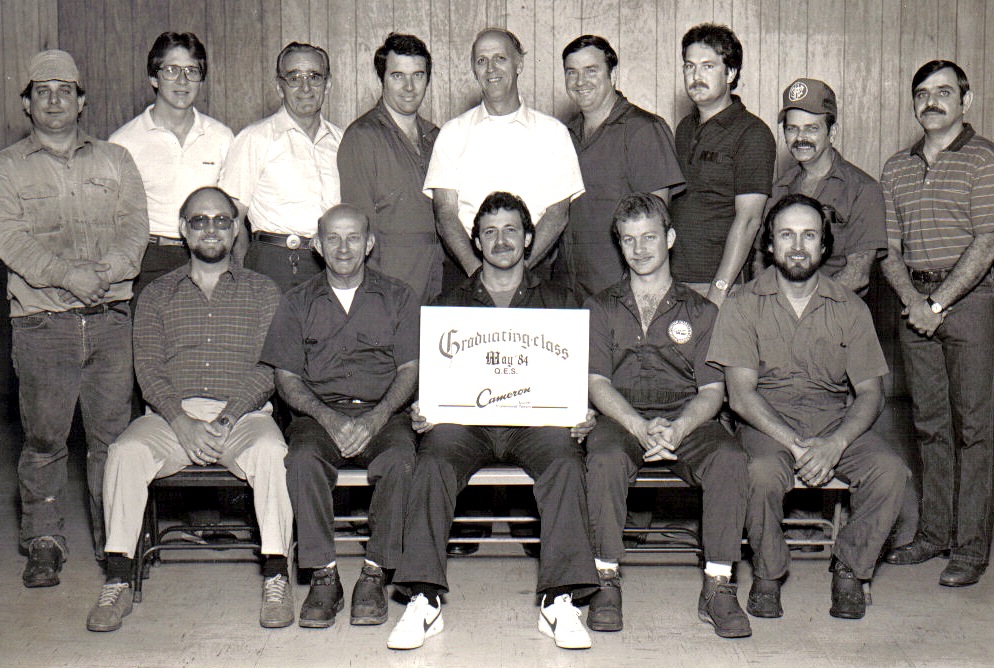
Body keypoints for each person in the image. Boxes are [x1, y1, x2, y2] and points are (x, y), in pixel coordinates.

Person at [387, 192, 598, 651]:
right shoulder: (447, 304)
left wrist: (584, 411)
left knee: (565, 461)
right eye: (489, 232)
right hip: (467, 424)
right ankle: (423, 597)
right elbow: (432, 381)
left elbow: (579, 377)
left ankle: (559, 600)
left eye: (510, 230)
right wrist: (424, 409)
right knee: (432, 460)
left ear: (528, 239)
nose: (500, 240)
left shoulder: (561, 301)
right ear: (476, 243)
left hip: (536, 423)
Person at [85, 187, 293, 632]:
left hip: (244, 416)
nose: (211, 228)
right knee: (124, 452)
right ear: (183, 229)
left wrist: (225, 418)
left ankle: (276, 576)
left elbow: (270, 367)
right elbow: (149, 367)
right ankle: (118, 579)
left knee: (272, 452)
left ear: (237, 229)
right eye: (199, 220)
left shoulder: (263, 290)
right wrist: (180, 422)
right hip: (169, 415)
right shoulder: (158, 293)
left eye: (222, 220)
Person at [708, 194, 909, 620]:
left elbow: (871, 392)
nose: (798, 246)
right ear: (769, 245)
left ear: (824, 246)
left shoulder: (850, 307)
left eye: (809, 235)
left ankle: (851, 569)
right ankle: (768, 573)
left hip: (834, 418)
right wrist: (800, 448)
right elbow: (741, 395)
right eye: (786, 235)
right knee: (759, 473)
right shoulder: (743, 303)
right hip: (766, 420)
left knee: (891, 471)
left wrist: (834, 443)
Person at [0, 49, 148, 588]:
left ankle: (118, 538)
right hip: (42, 323)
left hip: (110, 319)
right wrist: (67, 276)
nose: (55, 99)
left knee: (113, 438)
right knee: (44, 438)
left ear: (82, 100)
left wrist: (101, 274)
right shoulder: (8, 167)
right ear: (27, 103)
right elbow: (9, 239)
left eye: (65, 90)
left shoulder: (117, 161)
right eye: (43, 91)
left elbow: (135, 233)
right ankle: (44, 540)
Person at [583, 193, 749, 638]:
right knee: (601, 459)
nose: (640, 250)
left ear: (670, 238)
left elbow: (713, 390)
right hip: (620, 418)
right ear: (619, 245)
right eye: (629, 240)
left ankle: (718, 585)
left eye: (650, 237)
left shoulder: (702, 311)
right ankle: (605, 578)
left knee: (730, 459)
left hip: (686, 416)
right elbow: (596, 382)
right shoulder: (599, 307)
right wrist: (637, 425)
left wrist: (678, 427)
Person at [261, 204, 418, 628]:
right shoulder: (296, 301)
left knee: (401, 461)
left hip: (385, 413)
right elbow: (287, 377)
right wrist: (328, 419)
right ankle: (324, 576)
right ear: (317, 245)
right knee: (302, 460)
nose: (343, 247)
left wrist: (378, 416)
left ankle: (374, 572)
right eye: (333, 238)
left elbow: (410, 369)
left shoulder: (399, 297)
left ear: (369, 244)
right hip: (318, 415)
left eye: (353, 238)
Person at [880, 60, 994, 587]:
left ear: (965, 102)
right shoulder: (895, 168)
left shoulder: (984, 159)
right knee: (929, 425)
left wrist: (938, 303)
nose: (932, 101)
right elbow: (891, 250)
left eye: (945, 92)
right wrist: (913, 301)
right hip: (914, 304)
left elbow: (986, 243)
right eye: (922, 93)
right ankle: (933, 535)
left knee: (974, 429)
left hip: (969, 301)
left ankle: (970, 549)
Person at [424, 28, 584, 286]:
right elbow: (445, 212)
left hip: (533, 270)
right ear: (474, 70)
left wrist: (519, 273)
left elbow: (557, 214)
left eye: (500, 58)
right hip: (467, 270)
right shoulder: (452, 133)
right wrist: (477, 273)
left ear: (519, 63)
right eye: (481, 61)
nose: (491, 68)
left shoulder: (553, 132)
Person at [559, 35, 684, 301]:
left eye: (591, 71)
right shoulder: (563, 135)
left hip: (622, 296)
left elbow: (655, 223)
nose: (581, 82)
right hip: (570, 293)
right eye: (572, 73)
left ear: (612, 74)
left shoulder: (643, 129)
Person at [110, 32, 234, 297]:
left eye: (191, 70)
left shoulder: (222, 136)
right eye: (171, 70)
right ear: (153, 77)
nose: (182, 80)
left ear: (201, 79)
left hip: (206, 258)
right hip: (149, 260)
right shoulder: (124, 142)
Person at [220, 42, 343, 291]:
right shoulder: (255, 138)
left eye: (314, 77)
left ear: (327, 84)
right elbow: (232, 217)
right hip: (273, 263)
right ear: (279, 86)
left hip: (331, 265)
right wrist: (241, 277)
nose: (305, 87)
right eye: (294, 77)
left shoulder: (342, 142)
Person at [670, 23, 776, 306]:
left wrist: (719, 291)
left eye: (707, 66)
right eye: (689, 66)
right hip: (675, 280)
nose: (695, 76)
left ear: (730, 72)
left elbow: (750, 220)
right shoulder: (684, 128)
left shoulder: (752, 133)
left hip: (718, 286)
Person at [752, 78, 886, 294]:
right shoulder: (777, 190)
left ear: (832, 133)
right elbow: (760, 260)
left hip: (837, 313)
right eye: (792, 129)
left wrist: (804, 306)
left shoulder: (863, 189)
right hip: (780, 314)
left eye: (811, 128)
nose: (800, 138)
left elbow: (857, 274)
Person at [338, 33, 442, 304]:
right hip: (389, 287)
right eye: (398, 76)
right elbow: (360, 227)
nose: (409, 86)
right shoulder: (362, 136)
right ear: (382, 79)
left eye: (418, 75)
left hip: (436, 279)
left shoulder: (437, 137)